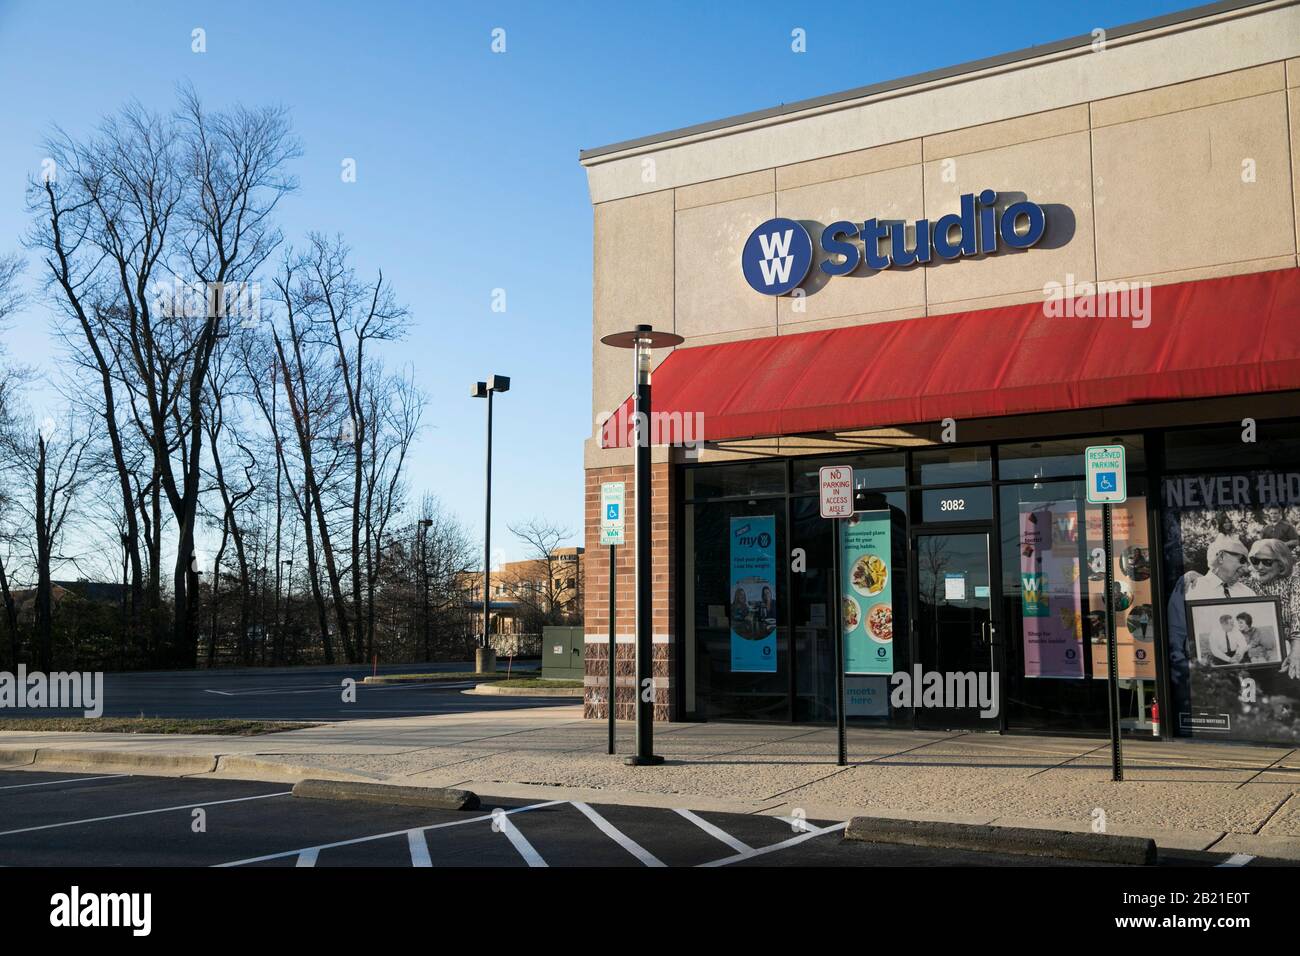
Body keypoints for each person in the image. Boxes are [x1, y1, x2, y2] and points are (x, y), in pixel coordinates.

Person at [1247, 538, 1300, 678]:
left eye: (1267, 562)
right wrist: (1193, 575)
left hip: (1294, 651)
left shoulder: (1294, 583)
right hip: (1262, 654)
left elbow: (1297, 617)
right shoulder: (1246, 584)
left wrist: (1296, 653)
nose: (1259, 566)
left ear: (1281, 564)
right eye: (1254, 560)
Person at [1185, 535, 1255, 600]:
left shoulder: (1248, 594)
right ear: (1221, 557)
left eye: (1247, 563)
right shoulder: (1190, 589)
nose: (1246, 569)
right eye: (1242, 560)